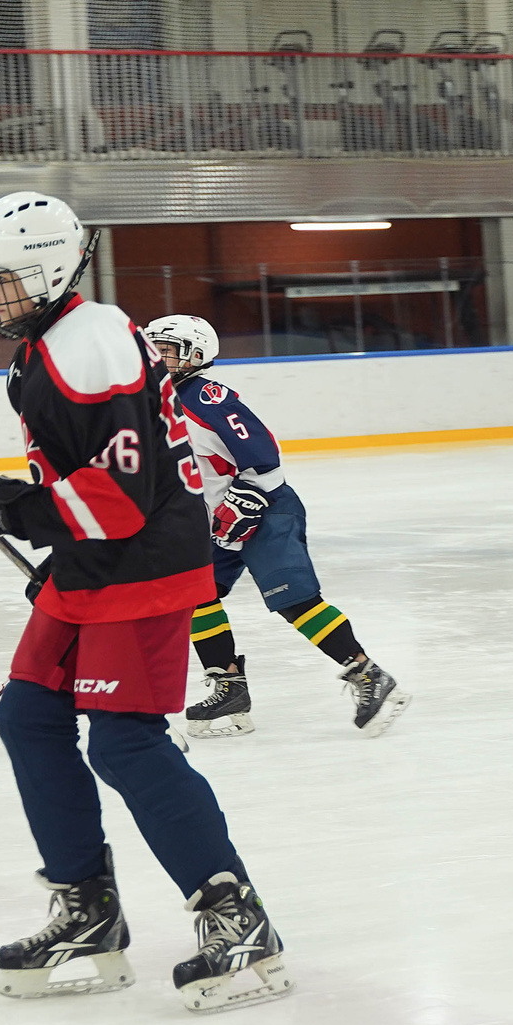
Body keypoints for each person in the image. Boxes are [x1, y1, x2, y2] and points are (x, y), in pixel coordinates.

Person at [0, 192, 289, 1013]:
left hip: (142, 561)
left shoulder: (88, 346)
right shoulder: (51, 341)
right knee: (29, 717)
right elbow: (88, 473)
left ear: (51, 271)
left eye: (2, 280)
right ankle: (87, 911)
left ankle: (236, 917)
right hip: (96, 559)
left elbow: (123, 494)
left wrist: (15, 512)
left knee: (125, 744)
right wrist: (3, 496)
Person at [141, 313, 410, 740]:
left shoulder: (206, 398)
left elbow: (263, 452)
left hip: (264, 509)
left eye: (166, 351)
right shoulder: (149, 405)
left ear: (195, 355)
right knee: (192, 597)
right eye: (152, 349)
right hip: (210, 523)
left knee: (294, 600)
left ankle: (367, 675)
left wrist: (249, 497)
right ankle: (230, 687)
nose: (156, 359)